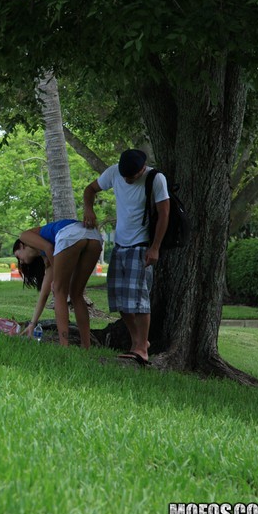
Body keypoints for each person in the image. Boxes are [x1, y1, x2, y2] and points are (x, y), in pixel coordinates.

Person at [82, 149, 170, 366]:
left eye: (131, 176)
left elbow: (164, 213)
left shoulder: (155, 179)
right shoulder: (114, 173)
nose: (127, 180)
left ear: (142, 169)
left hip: (142, 246)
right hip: (120, 245)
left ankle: (141, 349)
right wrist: (88, 209)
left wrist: (155, 247)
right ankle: (139, 342)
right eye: (124, 176)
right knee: (119, 300)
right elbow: (90, 189)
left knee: (140, 300)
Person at [13, 219, 102, 348]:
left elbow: (49, 247)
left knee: (59, 290)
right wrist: (32, 324)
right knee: (76, 294)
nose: (20, 262)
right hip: (93, 236)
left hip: (70, 235)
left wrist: (57, 279)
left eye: (17, 256)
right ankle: (86, 346)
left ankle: (63, 346)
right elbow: (43, 295)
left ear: (22, 245)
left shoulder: (24, 236)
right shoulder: (48, 259)